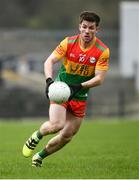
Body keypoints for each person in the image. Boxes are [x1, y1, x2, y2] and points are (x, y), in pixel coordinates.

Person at [22, 11, 110, 167]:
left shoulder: (102, 50)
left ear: (97, 30)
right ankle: (37, 135)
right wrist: (49, 82)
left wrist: (79, 86)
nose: (87, 31)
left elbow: (99, 79)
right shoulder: (68, 42)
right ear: (79, 27)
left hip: (79, 95)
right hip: (61, 90)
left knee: (68, 135)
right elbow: (49, 61)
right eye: (84, 27)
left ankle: (39, 156)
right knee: (56, 125)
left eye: (91, 28)